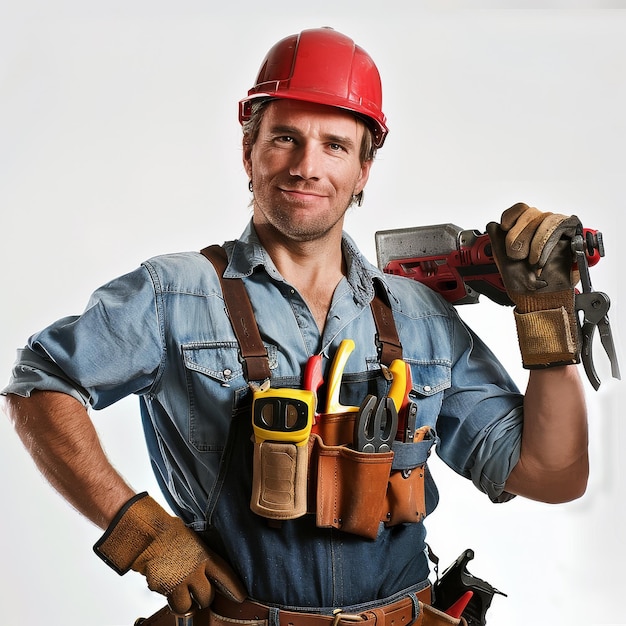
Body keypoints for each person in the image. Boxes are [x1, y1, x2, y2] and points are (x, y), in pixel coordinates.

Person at [1, 26, 588, 625]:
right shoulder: (172, 295)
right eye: (286, 138)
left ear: (364, 171)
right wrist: (138, 527)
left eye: (335, 145)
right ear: (248, 152)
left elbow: (550, 475)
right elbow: (39, 383)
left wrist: (548, 319)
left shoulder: (418, 315)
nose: (307, 167)